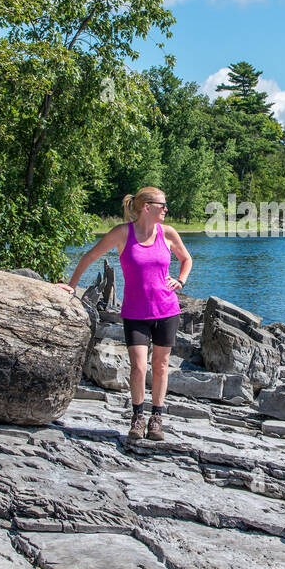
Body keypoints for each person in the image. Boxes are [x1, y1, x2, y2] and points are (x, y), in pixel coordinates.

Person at [60, 187, 192, 442]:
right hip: (135, 312)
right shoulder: (123, 233)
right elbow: (90, 255)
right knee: (139, 367)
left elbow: (186, 259)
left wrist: (181, 281)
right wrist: (72, 285)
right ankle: (138, 416)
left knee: (161, 366)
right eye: (163, 205)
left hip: (166, 309)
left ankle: (156, 417)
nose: (166, 210)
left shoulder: (167, 233)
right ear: (147, 207)